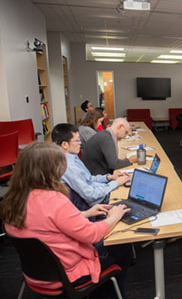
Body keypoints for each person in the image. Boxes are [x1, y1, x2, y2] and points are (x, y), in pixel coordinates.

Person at [0, 142, 132, 298]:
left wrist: (85, 213)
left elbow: (45, 223)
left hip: (36, 273)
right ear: (51, 170)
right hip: (68, 274)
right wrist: (114, 217)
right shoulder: (53, 200)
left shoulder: (13, 199)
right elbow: (92, 235)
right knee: (122, 245)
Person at [52, 123, 130, 208]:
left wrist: (108, 178)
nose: (80, 143)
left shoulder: (73, 157)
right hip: (98, 204)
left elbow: (88, 179)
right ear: (64, 144)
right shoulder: (68, 167)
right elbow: (91, 194)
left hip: (100, 193)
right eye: (77, 140)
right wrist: (115, 183)